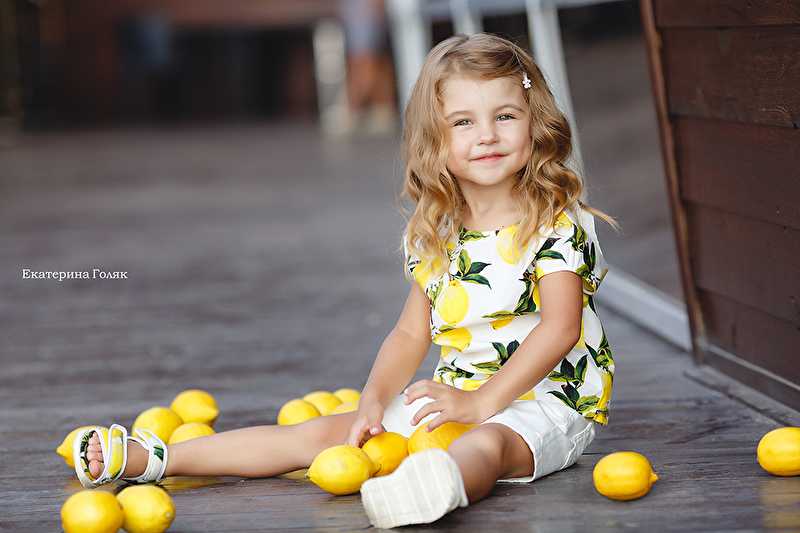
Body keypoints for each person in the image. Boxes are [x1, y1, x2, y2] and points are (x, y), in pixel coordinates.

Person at [75, 33, 616, 529]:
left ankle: (434, 489)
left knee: (486, 446)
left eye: (505, 115)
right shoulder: (441, 233)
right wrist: (373, 401)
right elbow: (410, 334)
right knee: (319, 433)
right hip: (455, 398)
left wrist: (480, 406)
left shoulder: (553, 224)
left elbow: (560, 328)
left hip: (545, 403)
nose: (488, 135)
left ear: (534, 121)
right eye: (463, 122)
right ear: (434, 138)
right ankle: (157, 459)